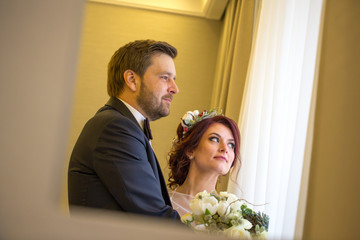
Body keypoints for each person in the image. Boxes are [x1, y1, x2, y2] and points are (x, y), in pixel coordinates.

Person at [68, 39, 180, 220]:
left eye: (173, 79)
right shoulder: (114, 128)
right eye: (165, 77)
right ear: (132, 80)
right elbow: (154, 216)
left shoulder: (124, 126)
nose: (175, 88)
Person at [167, 110, 241, 216]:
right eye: (215, 139)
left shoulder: (234, 214)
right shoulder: (160, 202)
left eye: (231, 145)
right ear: (190, 150)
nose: (225, 149)